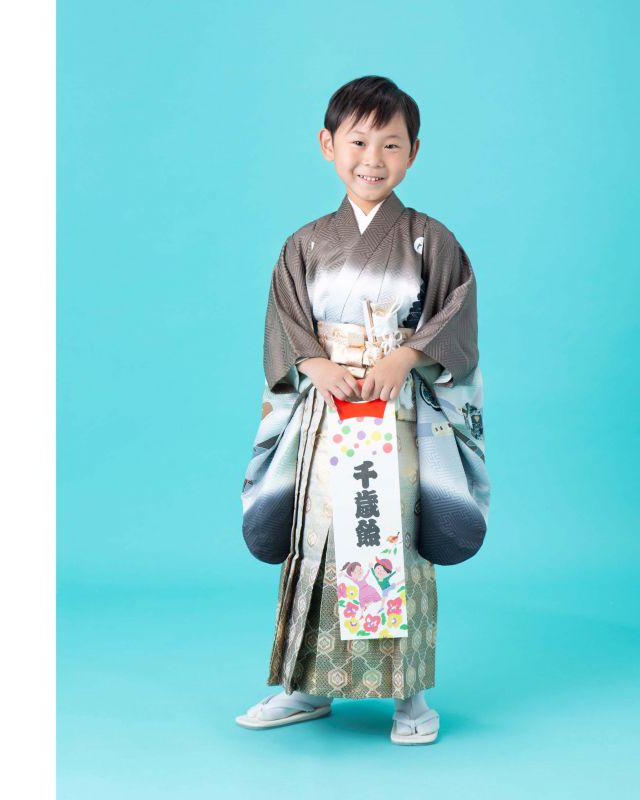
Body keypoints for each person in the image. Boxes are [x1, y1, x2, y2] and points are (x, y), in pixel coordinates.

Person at [233, 76, 483, 745]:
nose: (373, 158)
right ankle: (306, 685)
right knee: (320, 538)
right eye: (359, 141)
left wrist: (408, 357)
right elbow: (286, 321)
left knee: (390, 538)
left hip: (396, 414)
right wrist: (313, 363)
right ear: (328, 144)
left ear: (413, 153)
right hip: (330, 412)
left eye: (391, 144)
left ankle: (410, 695)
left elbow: (456, 318)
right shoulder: (306, 244)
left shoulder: (431, 240)